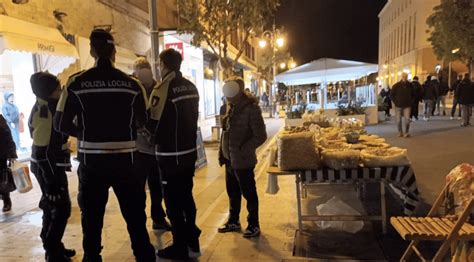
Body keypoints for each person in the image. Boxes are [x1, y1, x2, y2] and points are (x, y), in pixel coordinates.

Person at [54, 29, 155, 262]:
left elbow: (60, 123)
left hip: (92, 163)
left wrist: (86, 133)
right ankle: (144, 257)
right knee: (136, 219)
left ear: (92, 51)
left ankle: (92, 258)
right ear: (115, 53)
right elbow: (144, 121)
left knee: (92, 220)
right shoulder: (132, 84)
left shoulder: (76, 82)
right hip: (128, 163)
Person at [146, 48, 201, 260]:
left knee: (172, 203)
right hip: (189, 154)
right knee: (187, 197)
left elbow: (152, 124)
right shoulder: (191, 86)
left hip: (169, 156)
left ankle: (179, 246)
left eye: (159, 64)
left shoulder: (162, 89)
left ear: (164, 65)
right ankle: (192, 241)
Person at [29, 72, 75, 262]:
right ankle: (52, 249)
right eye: (57, 89)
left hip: (51, 165)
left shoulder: (48, 106)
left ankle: (54, 246)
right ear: (47, 91)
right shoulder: (44, 112)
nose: (60, 91)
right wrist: (51, 183)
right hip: (47, 168)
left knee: (52, 206)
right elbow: (42, 152)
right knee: (61, 208)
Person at [217, 78, 267, 238]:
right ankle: (233, 221)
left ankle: (254, 224)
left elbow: (260, 135)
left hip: (242, 160)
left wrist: (243, 149)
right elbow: (226, 134)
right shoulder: (230, 107)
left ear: (239, 91)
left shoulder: (251, 109)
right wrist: (223, 154)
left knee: (249, 193)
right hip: (229, 159)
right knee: (233, 192)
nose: (227, 96)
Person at [132, 57, 171, 231]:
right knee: (138, 189)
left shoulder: (158, 88)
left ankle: (158, 218)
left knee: (157, 187)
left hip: (156, 147)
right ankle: (138, 221)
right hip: (138, 148)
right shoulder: (132, 89)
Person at [0, 114, 17, 212]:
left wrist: (12, 154)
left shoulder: (0, 119)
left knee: (2, 178)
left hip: (1, 154)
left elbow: (8, 136)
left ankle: (6, 200)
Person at [390, 72, 415, 137]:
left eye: (405, 76)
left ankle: (406, 132)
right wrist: (396, 102)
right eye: (403, 76)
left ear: (407, 77)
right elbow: (391, 95)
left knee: (407, 120)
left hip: (407, 105)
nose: (404, 77)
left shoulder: (410, 85)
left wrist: (411, 101)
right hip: (398, 105)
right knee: (398, 120)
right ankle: (400, 132)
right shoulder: (396, 85)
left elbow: (414, 94)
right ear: (401, 77)